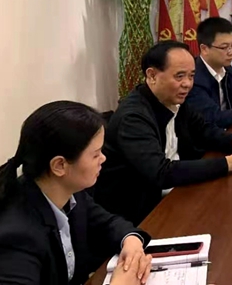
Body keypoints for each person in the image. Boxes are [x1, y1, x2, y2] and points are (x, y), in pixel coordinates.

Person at [93, 41, 232, 225]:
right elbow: (161, 173)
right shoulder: (133, 117)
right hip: (140, 214)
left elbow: (204, 129)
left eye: (191, 76)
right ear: (152, 75)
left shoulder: (173, 100)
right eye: (179, 76)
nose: (187, 84)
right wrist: (229, 163)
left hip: (177, 192)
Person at [0, 101, 153, 285]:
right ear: (59, 165)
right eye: (96, 154)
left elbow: (108, 223)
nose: (103, 158)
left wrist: (131, 241)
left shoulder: (70, 192)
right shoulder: (17, 235)